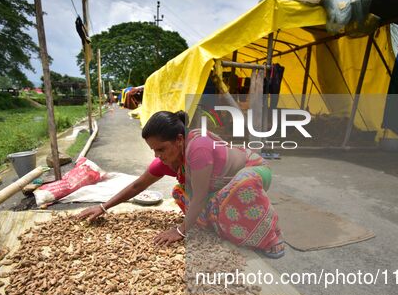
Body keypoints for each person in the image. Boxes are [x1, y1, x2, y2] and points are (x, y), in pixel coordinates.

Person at [77, 110, 285, 258]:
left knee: (238, 191)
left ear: (179, 139)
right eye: (154, 151)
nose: (158, 156)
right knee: (181, 193)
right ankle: (223, 223)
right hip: (223, 186)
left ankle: (271, 237)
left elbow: (201, 196)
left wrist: (180, 231)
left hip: (253, 170)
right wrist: (103, 207)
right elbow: (137, 186)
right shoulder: (169, 160)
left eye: (161, 149)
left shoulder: (198, 148)